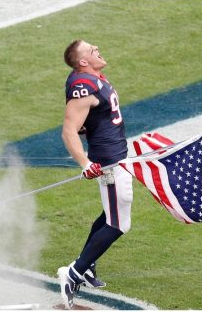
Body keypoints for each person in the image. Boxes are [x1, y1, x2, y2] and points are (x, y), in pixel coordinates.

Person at [59, 39, 133, 309]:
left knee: (109, 214)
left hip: (117, 155)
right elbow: (69, 129)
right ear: (82, 62)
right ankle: (73, 273)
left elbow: (83, 122)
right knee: (118, 223)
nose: (97, 49)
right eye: (91, 50)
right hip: (109, 163)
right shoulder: (83, 86)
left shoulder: (87, 78)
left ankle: (87, 265)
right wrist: (85, 162)